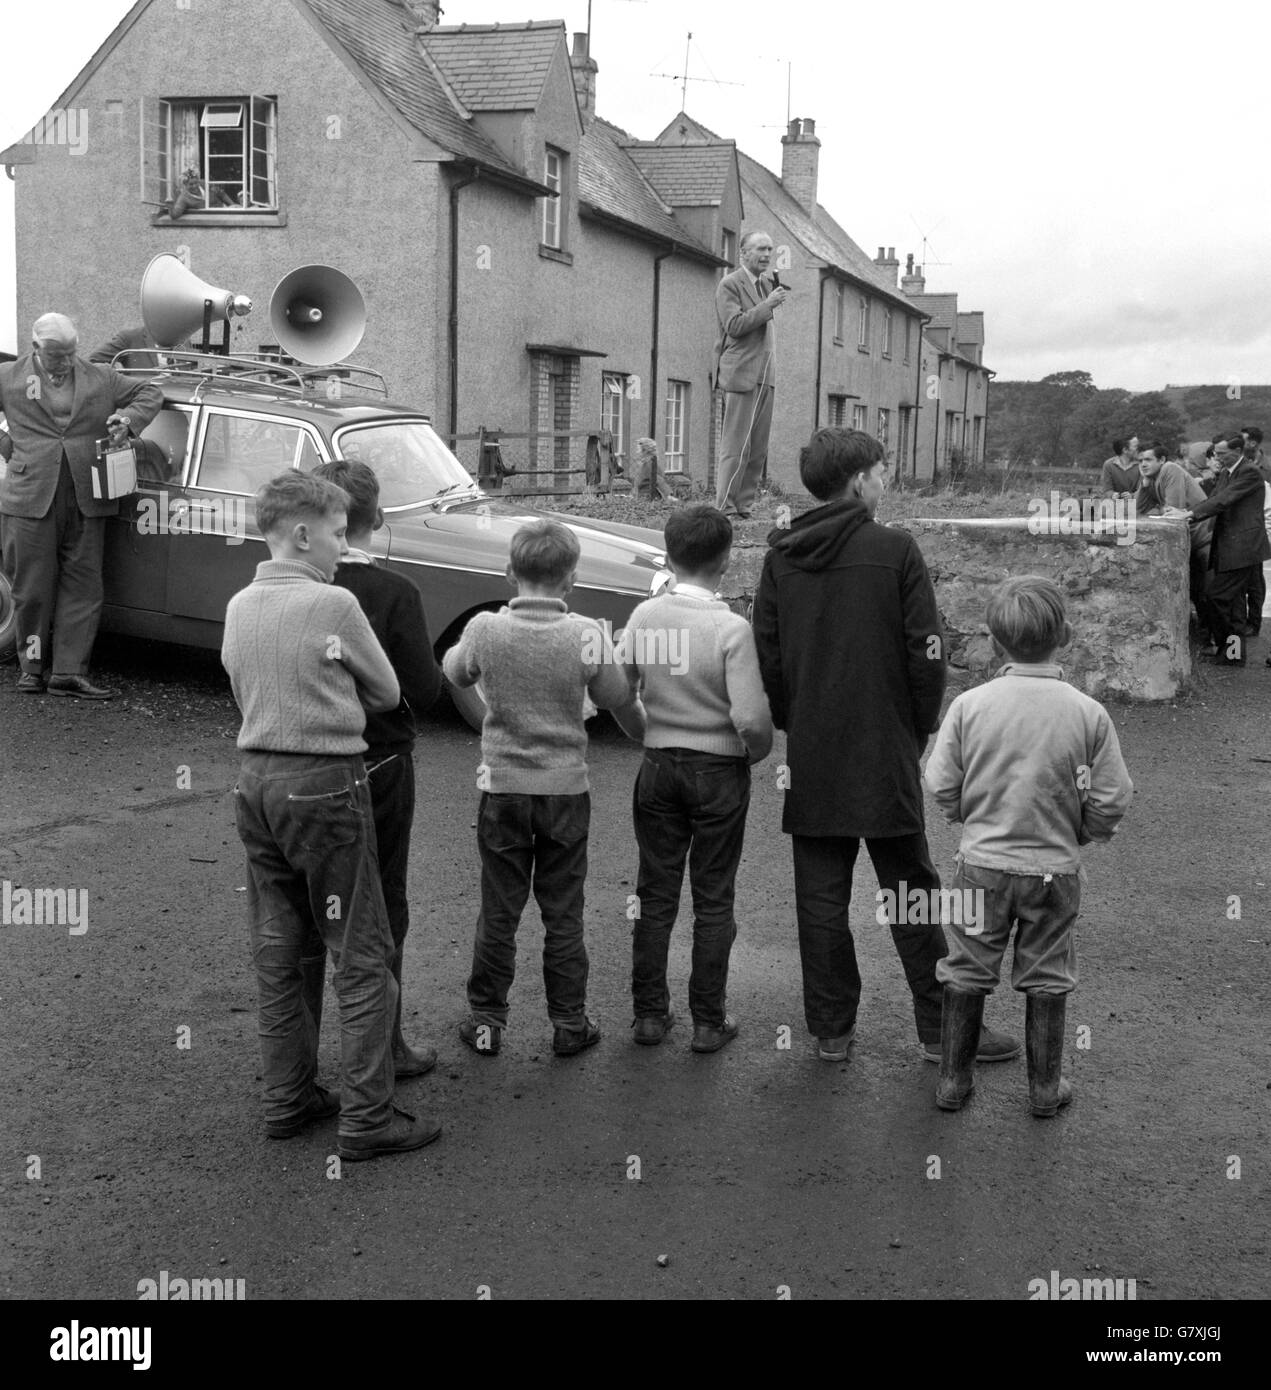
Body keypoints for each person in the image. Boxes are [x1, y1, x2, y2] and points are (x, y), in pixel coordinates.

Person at [751, 427, 1019, 1064]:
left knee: (821, 897)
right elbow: (927, 649)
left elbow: (769, 653)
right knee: (911, 891)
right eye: (880, 470)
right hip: (884, 742)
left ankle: (831, 1030)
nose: (884, 479)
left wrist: (795, 719)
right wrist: (920, 725)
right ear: (857, 482)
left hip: (815, 746)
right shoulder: (895, 549)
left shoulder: (781, 557)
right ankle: (940, 1029)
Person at [222, 471, 440, 1161]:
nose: (344, 549)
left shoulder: (239, 605)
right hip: (325, 783)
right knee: (361, 950)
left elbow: (241, 684)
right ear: (301, 533)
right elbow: (389, 692)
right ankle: (367, 1117)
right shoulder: (334, 603)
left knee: (281, 947)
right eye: (338, 535)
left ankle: (287, 1099)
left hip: (256, 782)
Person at [923, 576, 1133, 1117]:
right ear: (1065, 635)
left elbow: (940, 780)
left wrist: (964, 814)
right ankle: (1044, 1088)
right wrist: (1083, 831)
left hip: (981, 866)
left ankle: (953, 1081)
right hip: (1053, 870)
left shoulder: (970, 706)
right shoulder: (1087, 713)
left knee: (966, 967)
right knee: (1047, 973)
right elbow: (1112, 796)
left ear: (994, 644)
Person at [443, 520, 646, 1058]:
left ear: (510, 573)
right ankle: (569, 1023)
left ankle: (487, 1022)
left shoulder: (485, 629)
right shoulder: (586, 634)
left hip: (503, 787)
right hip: (565, 790)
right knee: (563, 912)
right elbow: (615, 695)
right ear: (571, 579)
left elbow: (455, 673)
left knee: (499, 910)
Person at [307, 459, 443, 1079]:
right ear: (378, 516)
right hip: (381, 760)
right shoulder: (395, 592)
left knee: (310, 907)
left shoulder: (295, 589)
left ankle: (302, 1066)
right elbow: (424, 689)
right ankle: (385, 1045)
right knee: (385, 899)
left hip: (306, 763)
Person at [620, 505, 773, 1053]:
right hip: (719, 771)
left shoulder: (645, 617)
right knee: (713, 897)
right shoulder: (732, 629)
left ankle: (648, 1016)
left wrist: (645, 731)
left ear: (668, 555)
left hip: (658, 766)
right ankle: (709, 1020)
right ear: (726, 560)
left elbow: (618, 690)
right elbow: (751, 718)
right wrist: (753, 754)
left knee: (654, 892)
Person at [0, 312, 163, 698]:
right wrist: (8, 448)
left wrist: (127, 419)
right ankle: (32, 669)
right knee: (31, 590)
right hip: (29, 497)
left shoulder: (100, 376)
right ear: (36, 347)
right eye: (58, 355)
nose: (67, 362)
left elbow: (150, 393)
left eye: (72, 353)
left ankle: (68, 673)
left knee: (84, 586)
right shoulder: (7, 377)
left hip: (89, 495)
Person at [1170, 434, 1271, 665]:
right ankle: (1233, 655)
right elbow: (1213, 498)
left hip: (1243, 549)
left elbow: (1224, 500)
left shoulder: (1249, 472)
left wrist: (1190, 514)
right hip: (1229, 547)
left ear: (1238, 451)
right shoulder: (1227, 472)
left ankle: (1229, 650)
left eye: (1222, 453)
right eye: (1216, 453)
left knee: (1217, 596)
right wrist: (1186, 512)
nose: (1217, 457)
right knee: (1234, 604)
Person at [713, 230, 789, 518]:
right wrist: (768, 305)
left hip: (766, 373)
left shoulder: (766, 285)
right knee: (736, 445)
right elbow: (734, 326)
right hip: (741, 372)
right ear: (743, 253)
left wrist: (768, 301)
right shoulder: (730, 284)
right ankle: (725, 505)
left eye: (770, 249)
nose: (767, 254)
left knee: (757, 446)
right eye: (760, 249)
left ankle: (744, 504)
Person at [1135, 444, 1213, 629]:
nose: (1143, 464)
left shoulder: (1170, 469)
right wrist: (1145, 485)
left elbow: (1173, 509)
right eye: (1140, 461)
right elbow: (1138, 509)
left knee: (1209, 593)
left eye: (1148, 460)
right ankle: (1205, 635)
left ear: (1162, 460)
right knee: (1196, 592)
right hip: (1191, 539)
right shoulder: (1152, 478)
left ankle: (1224, 640)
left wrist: (1159, 509)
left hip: (1204, 538)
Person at [1237, 428, 1268, 634]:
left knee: (1255, 580)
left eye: (1244, 441)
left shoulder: (1268, 468)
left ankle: (1254, 622)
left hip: (1260, 529)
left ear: (1253, 443)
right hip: (1245, 528)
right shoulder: (1242, 465)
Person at [88, 325, 190, 371]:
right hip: (144, 401)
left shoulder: (185, 341)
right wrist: (118, 381)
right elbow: (93, 361)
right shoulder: (130, 337)